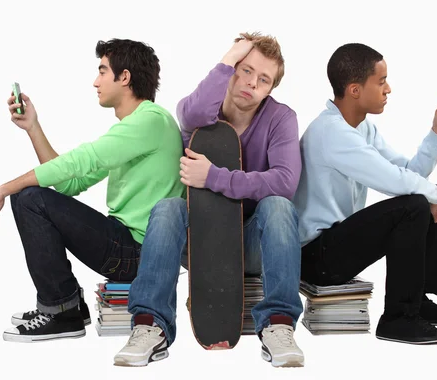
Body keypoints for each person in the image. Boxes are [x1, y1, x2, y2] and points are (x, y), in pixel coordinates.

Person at [114, 32, 305, 368]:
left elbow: (285, 182)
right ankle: (150, 325)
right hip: (200, 241)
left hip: (250, 242)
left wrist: (214, 177)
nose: (251, 83)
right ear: (231, 68)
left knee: (279, 205)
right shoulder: (201, 114)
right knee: (168, 208)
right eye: (245, 70)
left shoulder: (280, 118)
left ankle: (278, 326)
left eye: (264, 80)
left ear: (271, 89)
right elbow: (191, 114)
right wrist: (229, 57)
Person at [0, 38, 185, 342]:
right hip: (125, 244)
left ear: (124, 77)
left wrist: (4, 188)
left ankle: (62, 310)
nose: (95, 82)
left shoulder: (151, 121)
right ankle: (65, 306)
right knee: (32, 196)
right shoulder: (134, 129)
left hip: (139, 252)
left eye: (102, 72)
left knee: (28, 196)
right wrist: (33, 126)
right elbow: (70, 183)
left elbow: (81, 160)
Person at [293, 43, 437, 345]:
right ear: (354, 90)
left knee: (433, 193)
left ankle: (417, 303)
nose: (388, 89)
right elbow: (394, 181)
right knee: (417, 203)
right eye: (381, 81)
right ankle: (398, 320)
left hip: (336, 245)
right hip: (315, 256)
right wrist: (432, 197)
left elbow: (409, 173)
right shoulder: (331, 132)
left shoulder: (363, 128)